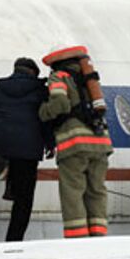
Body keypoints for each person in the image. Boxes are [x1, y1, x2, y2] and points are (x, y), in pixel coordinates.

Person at [38, 49, 113, 238]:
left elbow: (60, 104)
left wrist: (43, 112)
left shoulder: (59, 77)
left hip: (75, 143)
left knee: (72, 190)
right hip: (101, 141)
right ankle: (98, 234)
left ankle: (77, 236)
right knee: (97, 190)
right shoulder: (90, 80)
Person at [0, 57, 55, 241]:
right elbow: (45, 119)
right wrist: (50, 144)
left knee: (15, 171)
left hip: (4, 145)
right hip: (29, 149)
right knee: (25, 198)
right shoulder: (39, 91)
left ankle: (6, 173)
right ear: (34, 73)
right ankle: (14, 237)